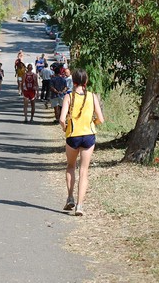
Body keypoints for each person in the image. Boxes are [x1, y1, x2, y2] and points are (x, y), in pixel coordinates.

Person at [59, 68, 105, 216]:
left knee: (71, 166)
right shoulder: (92, 96)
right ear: (86, 82)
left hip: (73, 135)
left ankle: (70, 197)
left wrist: (65, 127)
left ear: (73, 81)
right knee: (84, 171)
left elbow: (61, 119)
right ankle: (80, 206)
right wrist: (93, 124)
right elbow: (101, 119)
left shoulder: (68, 97)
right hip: (88, 136)